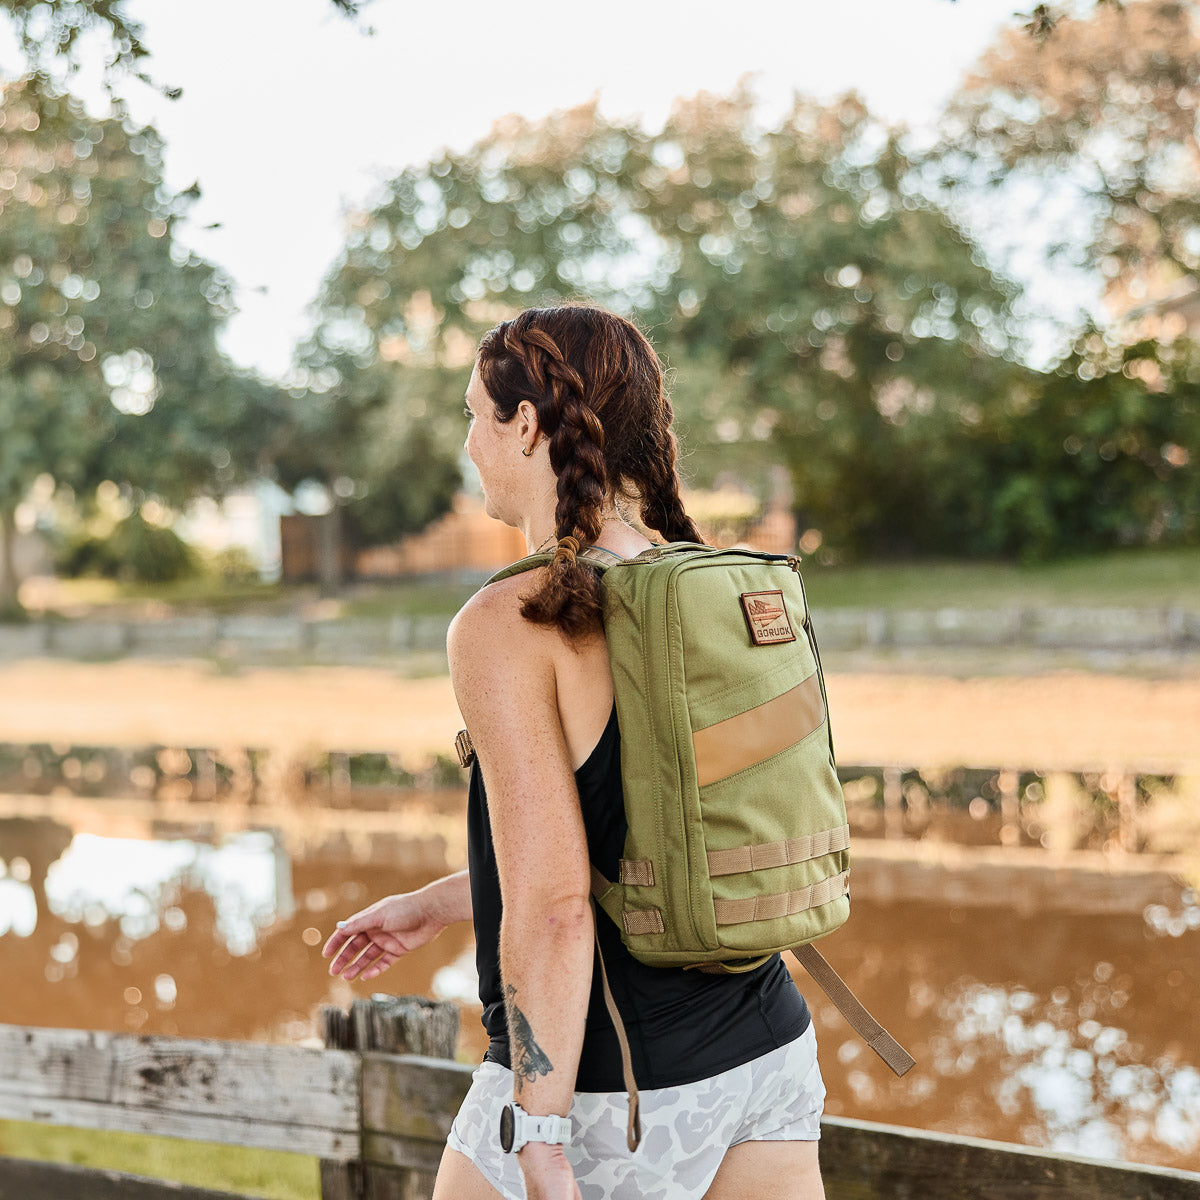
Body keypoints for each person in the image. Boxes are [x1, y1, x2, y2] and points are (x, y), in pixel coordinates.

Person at [323, 304, 827, 1200]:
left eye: (475, 414)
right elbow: (634, 843)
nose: (470, 441)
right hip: (767, 1056)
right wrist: (443, 902)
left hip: (612, 1092)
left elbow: (557, 910)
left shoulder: (513, 619)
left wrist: (540, 1132)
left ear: (526, 424)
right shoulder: (691, 582)